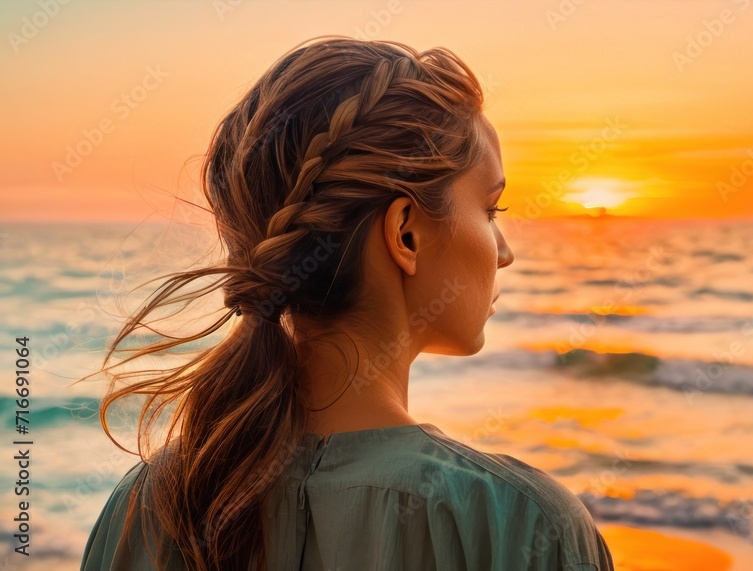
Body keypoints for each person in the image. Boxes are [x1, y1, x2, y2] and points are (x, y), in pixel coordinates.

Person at [79, 35, 616, 570]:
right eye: (492, 209)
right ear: (405, 234)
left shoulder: (148, 507)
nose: (504, 253)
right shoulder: (520, 525)